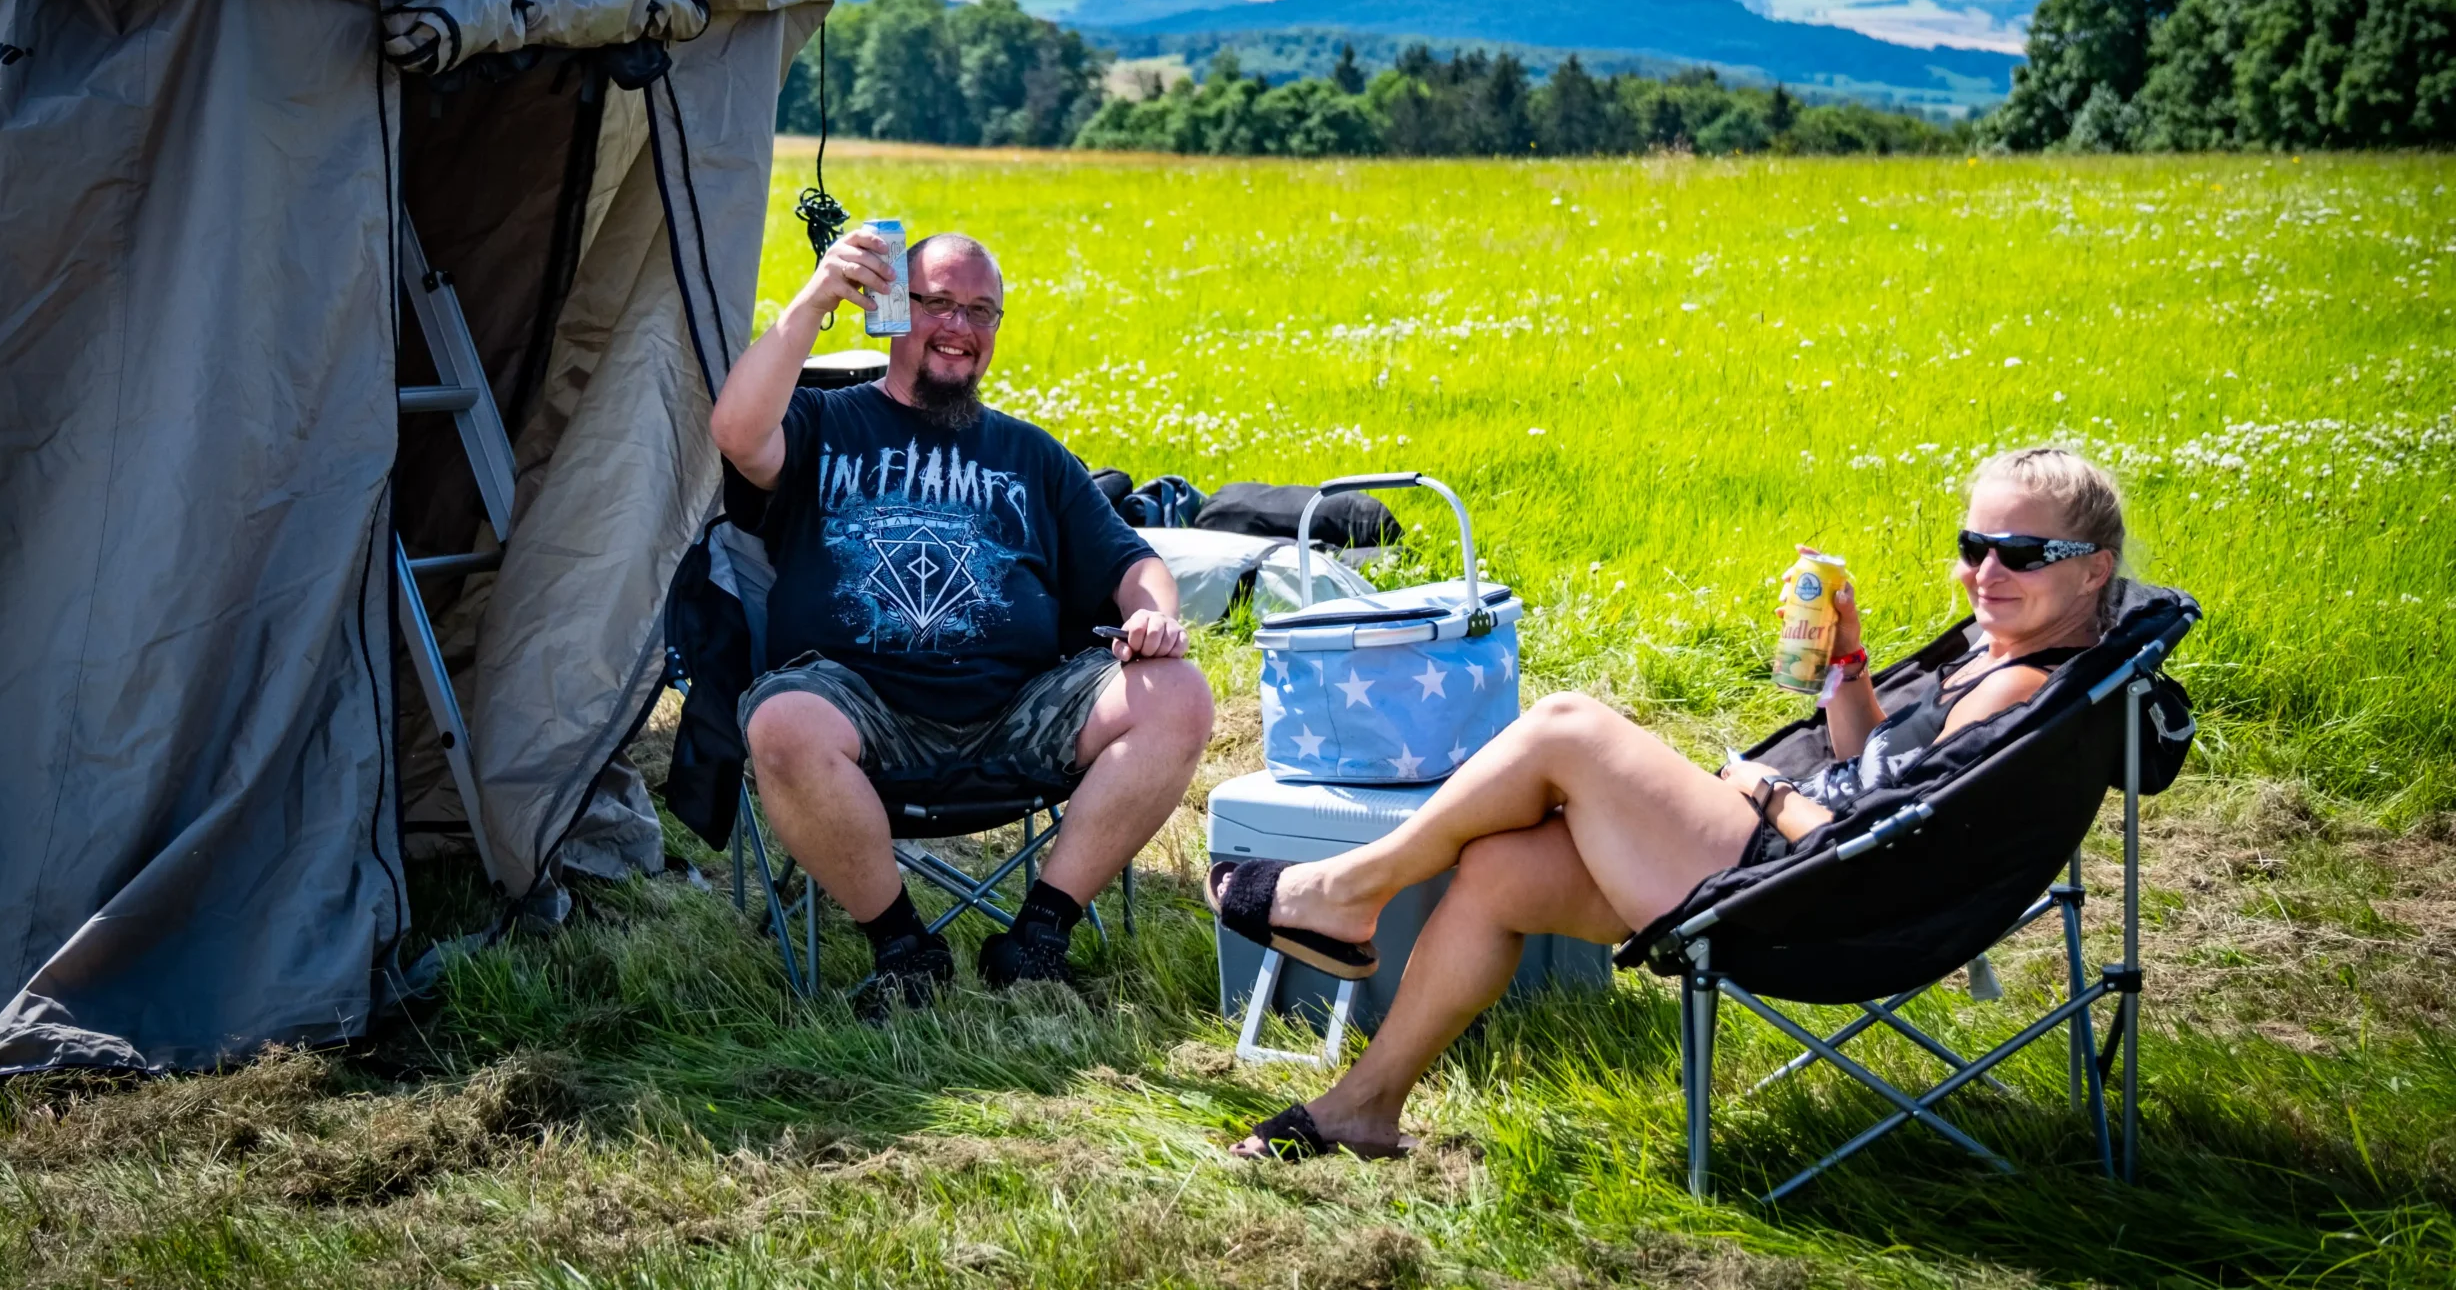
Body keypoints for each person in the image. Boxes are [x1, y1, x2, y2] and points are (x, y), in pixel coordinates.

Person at [1210, 448, 2126, 1157]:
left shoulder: (2024, 688)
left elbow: (1871, 834)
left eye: (2024, 552)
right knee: (1500, 868)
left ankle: (1346, 892)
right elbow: (1881, 773)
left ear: (2094, 570)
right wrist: (1847, 660)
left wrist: (1760, 785)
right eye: (1975, 546)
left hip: (1816, 893)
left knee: (1568, 726)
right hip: (1819, 869)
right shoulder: (1998, 651)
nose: (1989, 570)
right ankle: (1365, 1107)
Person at [712, 227, 1214, 1015]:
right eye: (938, 302)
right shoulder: (824, 424)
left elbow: (1133, 562)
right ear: (888, 309)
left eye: (982, 311)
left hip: (1015, 715)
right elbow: (737, 433)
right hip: (859, 709)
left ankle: (1039, 935)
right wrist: (816, 298)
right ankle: (905, 947)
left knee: (1178, 693)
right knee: (782, 722)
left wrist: (1154, 617)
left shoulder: (1030, 454)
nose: (960, 326)